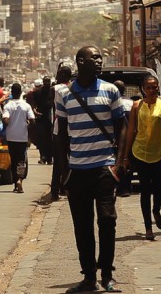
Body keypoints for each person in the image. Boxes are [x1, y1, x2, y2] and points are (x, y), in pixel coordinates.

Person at [55, 46, 126, 293]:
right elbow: (61, 135)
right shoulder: (63, 94)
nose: (99, 61)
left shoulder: (110, 90)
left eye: (99, 57)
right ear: (79, 62)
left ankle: (107, 275)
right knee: (82, 225)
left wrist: (119, 162)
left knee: (107, 221)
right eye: (93, 57)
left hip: (104, 169)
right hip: (77, 170)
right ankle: (88, 277)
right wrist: (64, 172)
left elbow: (122, 127)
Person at [122, 75, 161, 240]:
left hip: (158, 153)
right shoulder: (137, 106)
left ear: (158, 87)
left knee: (159, 189)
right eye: (148, 87)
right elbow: (131, 131)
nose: (152, 90)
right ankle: (148, 227)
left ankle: (156, 210)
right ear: (143, 89)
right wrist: (125, 155)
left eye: (154, 87)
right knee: (145, 190)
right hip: (140, 152)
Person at [2, 83, 35, 193]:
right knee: (21, 160)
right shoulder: (26, 106)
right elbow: (33, 121)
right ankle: (20, 179)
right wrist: (26, 126)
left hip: (11, 137)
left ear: (11, 93)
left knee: (14, 160)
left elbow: (5, 119)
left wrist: (6, 123)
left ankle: (15, 183)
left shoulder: (8, 106)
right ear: (21, 93)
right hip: (22, 137)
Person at [50, 65, 72, 201]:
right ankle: (67, 188)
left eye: (58, 74)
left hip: (59, 128)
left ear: (63, 75)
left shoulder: (55, 89)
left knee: (59, 162)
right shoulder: (74, 88)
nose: (56, 76)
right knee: (71, 160)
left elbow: (52, 108)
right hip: (73, 128)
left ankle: (55, 190)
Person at [113, 80, 134, 197]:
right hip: (130, 138)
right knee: (128, 162)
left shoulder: (112, 103)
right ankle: (125, 188)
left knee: (116, 161)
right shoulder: (132, 103)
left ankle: (116, 185)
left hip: (115, 138)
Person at [32, 76, 53, 164]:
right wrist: (35, 111)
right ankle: (43, 157)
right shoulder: (37, 93)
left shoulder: (53, 92)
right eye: (46, 82)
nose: (47, 83)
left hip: (51, 119)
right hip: (41, 119)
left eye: (49, 82)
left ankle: (50, 158)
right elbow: (33, 104)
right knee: (42, 139)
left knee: (50, 139)